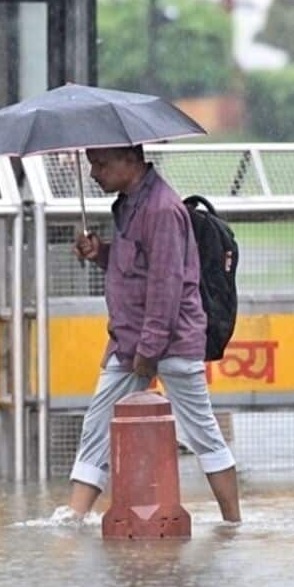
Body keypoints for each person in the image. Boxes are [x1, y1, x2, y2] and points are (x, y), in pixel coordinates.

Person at [62, 144, 241, 523]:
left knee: (201, 431)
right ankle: (73, 519)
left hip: (164, 344)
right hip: (129, 341)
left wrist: (150, 349)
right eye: (92, 164)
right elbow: (138, 267)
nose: (94, 174)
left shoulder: (162, 209)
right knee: (97, 426)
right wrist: (101, 253)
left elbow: (166, 284)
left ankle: (233, 521)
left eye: (101, 164)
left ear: (131, 160)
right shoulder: (131, 204)